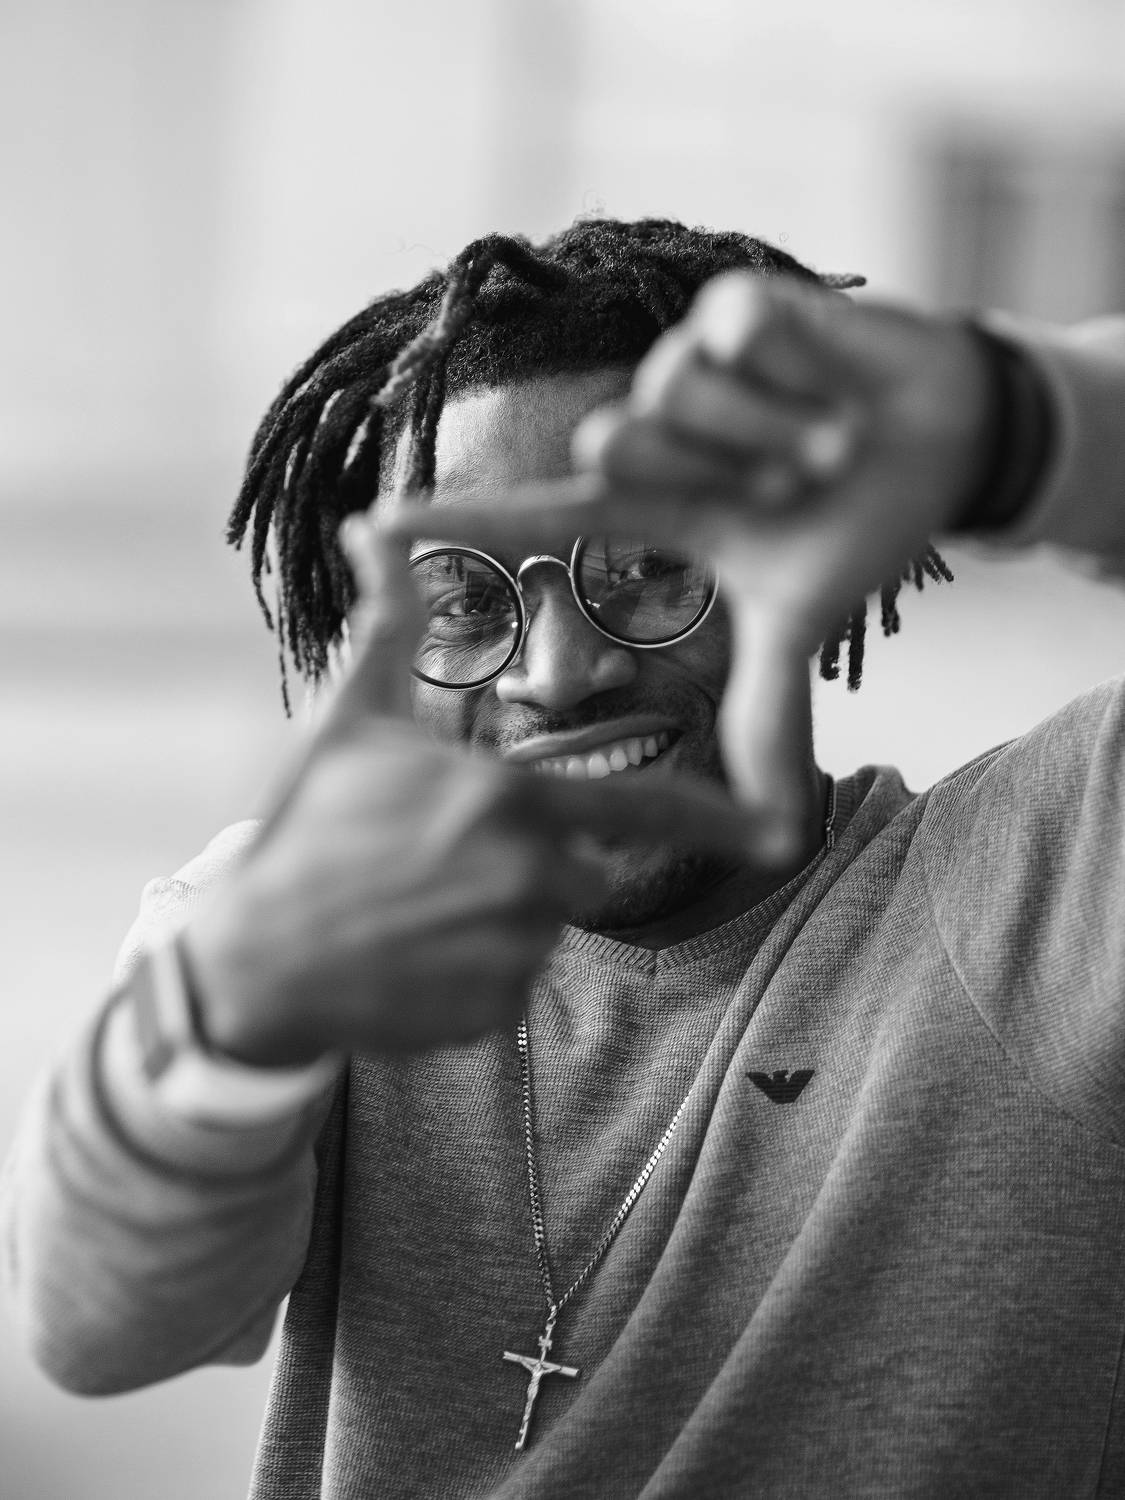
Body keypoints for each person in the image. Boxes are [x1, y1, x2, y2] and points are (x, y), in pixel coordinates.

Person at [4, 215, 1125, 1499]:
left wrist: (1022, 424)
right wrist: (231, 1015)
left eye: (647, 566)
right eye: (466, 600)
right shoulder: (302, 929)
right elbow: (94, 1328)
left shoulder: (1040, 896)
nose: (559, 671)